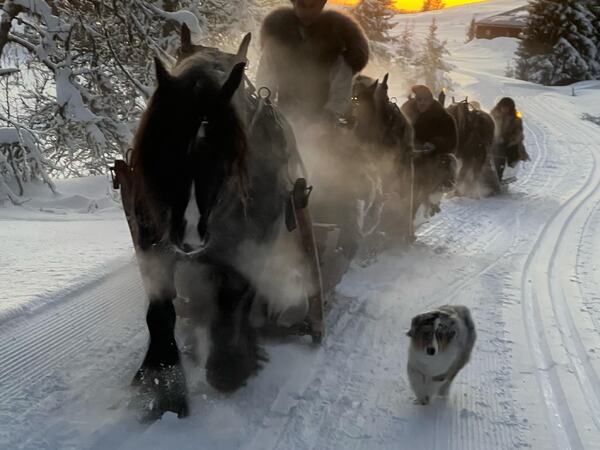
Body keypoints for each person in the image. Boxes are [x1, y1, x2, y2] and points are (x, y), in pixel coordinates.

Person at [256, 0, 369, 123]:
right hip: (284, 118)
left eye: (312, 5)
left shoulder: (336, 41)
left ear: (322, 4)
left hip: (322, 122)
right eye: (302, 4)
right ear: (294, 3)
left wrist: (329, 116)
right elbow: (266, 76)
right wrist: (266, 106)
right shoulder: (278, 38)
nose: (307, 11)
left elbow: (341, 85)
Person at [401, 85, 457, 157]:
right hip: (408, 156)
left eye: (425, 99)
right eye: (419, 100)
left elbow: (451, 141)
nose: (422, 103)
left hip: (432, 158)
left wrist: (434, 144)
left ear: (431, 101)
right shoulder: (406, 113)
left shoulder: (444, 118)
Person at [490, 97, 530, 169]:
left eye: (507, 107)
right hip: (493, 140)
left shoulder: (516, 118)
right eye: (503, 107)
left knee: (504, 152)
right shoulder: (493, 115)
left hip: (509, 142)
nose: (505, 109)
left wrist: (509, 140)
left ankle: (502, 169)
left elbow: (518, 133)